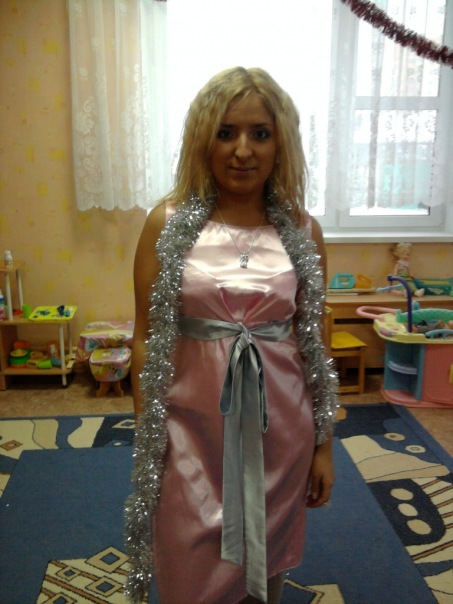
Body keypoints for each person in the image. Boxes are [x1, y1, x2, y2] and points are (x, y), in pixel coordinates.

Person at [125, 66, 338, 604]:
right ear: (205, 140)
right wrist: (149, 433)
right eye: (226, 132)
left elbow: (315, 346)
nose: (243, 150)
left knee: (265, 563)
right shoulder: (167, 223)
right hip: (189, 430)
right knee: (186, 553)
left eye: (260, 133)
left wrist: (323, 446)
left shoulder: (303, 230)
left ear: (279, 143)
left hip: (279, 430)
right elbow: (145, 336)